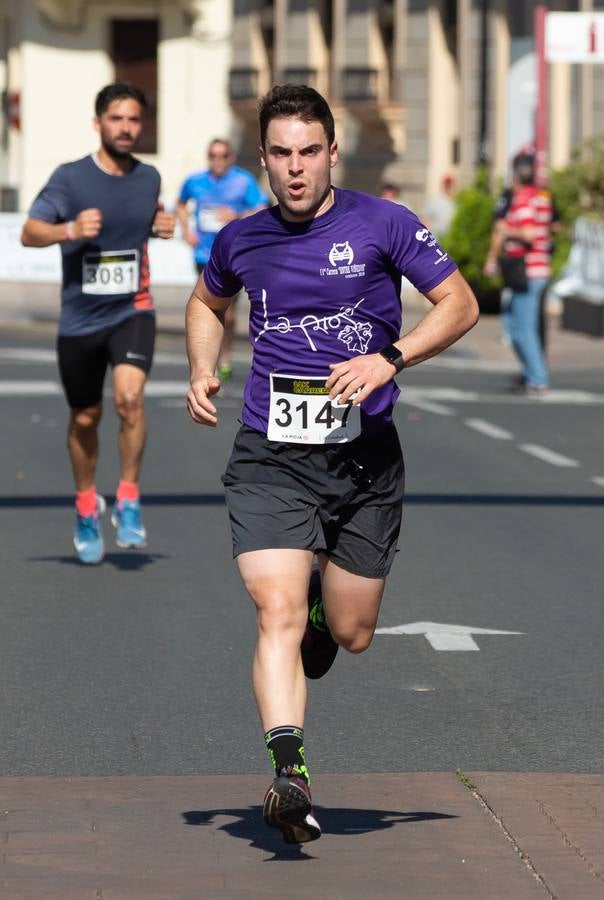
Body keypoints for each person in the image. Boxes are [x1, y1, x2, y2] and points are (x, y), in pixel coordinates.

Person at [185, 84, 478, 844]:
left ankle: (325, 605)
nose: (294, 168)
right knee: (272, 610)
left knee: (349, 633)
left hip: (363, 463)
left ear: (331, 154)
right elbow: (206, 304)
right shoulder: (241, 238)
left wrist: (391, 357)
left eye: (308, 152)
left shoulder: (383, 223)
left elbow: (458, 303)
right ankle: (290, 771)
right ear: (262, 160)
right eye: (280, 153)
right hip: (271, 455)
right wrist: (200, 366)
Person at [21, 82, 175, 565]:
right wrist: (68, 229)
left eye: (134, 120)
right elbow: (29, 232)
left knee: (130, 400)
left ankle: (128, 496)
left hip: (133, 308)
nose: (126, 128)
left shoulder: (149, 177)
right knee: (85, 418)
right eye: (117, 119)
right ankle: (87, 503)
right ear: (98, 123)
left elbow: (141, 221)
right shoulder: (69, 179)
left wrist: (160, 226)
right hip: (81, 320)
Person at [176, 139, 267, 382]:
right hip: (203, 255)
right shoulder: (195, 181)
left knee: (227, 313)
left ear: (231, 158)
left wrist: (237, 215)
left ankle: (225, 354)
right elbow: (180, 204)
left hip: (232, 256)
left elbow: (262, 208)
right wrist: (186, 230)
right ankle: (208, 364)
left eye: (223, 155)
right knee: (206, 306)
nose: (218, 160)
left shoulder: (243, 180)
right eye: (213, 155)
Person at [483, 153, 553, 395]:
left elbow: (529, 233)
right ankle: (531, 373)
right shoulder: (542, 197)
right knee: (513, 322)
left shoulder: (523, 198)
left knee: (522, 327)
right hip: (537, 268)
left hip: (527, 270)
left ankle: (536, 378)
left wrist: (505, 230)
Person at [422, 173, 456, 239]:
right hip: (436, 241)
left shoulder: (456, 202)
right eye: (446, 184)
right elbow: (425, 221)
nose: (448, 187)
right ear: (443, 185)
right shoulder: (434, 201)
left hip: (452, 241)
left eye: (450, 185)